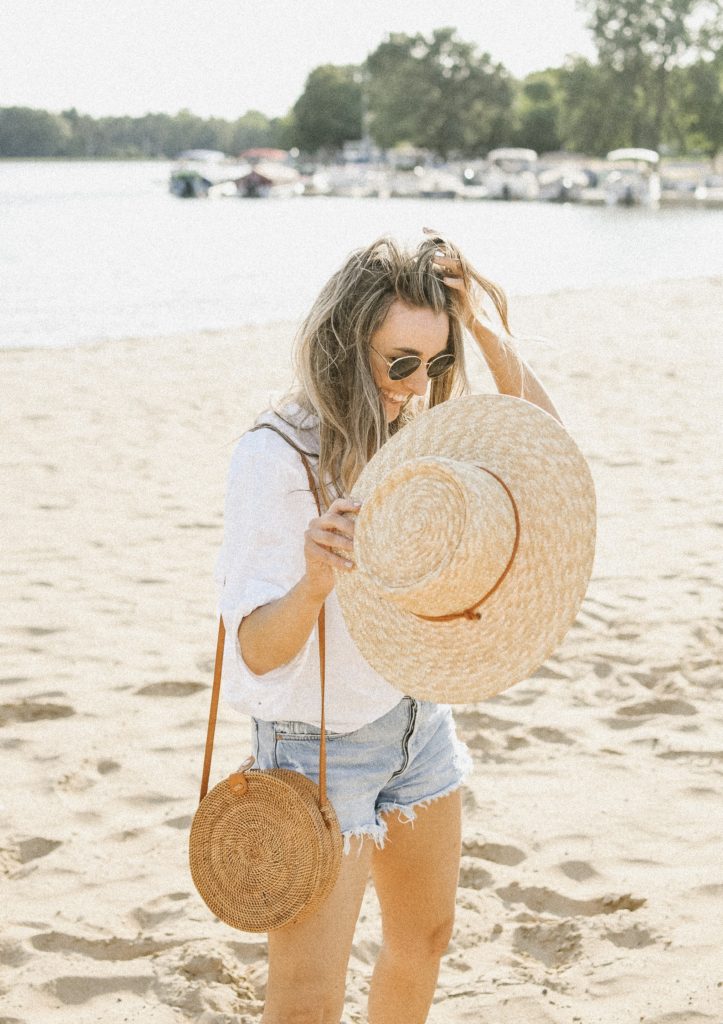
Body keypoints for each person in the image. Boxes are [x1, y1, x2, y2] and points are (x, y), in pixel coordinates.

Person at [215, 230, 562, 1024]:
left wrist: (483, 329)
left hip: (416, 726)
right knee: (307, 995)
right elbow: (258, 654)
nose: (417, 384)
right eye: (399, 361)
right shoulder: (276, 454)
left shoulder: (418, 431)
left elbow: (546, 453)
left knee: (425, 940)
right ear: (344, 344)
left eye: (435, 365)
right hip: (315, 745)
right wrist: (312, 583)